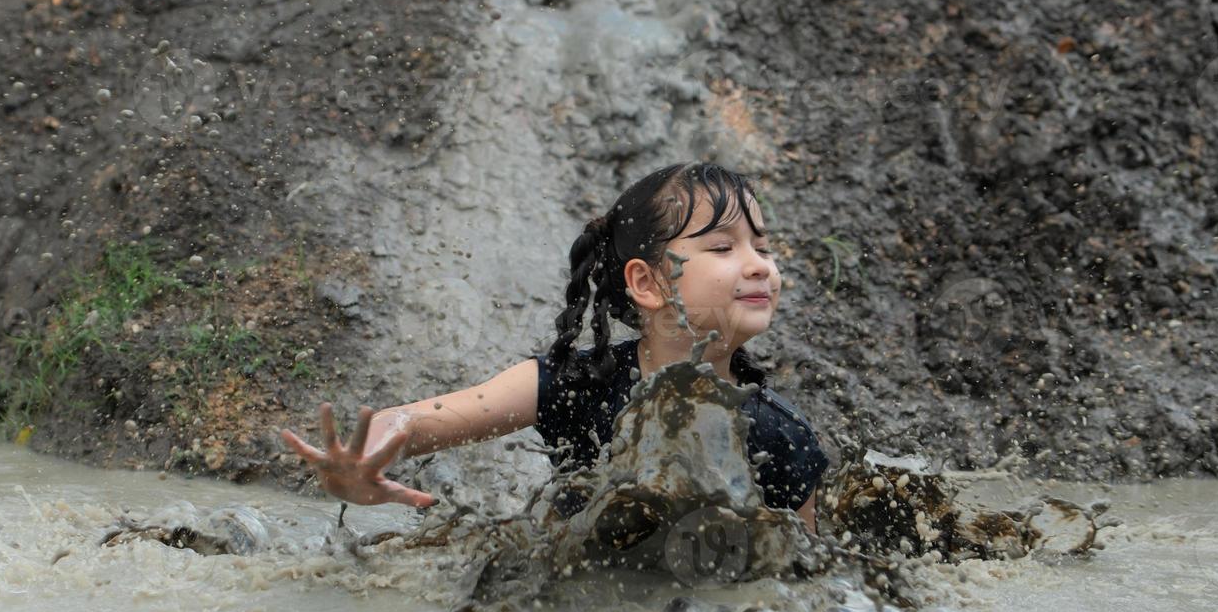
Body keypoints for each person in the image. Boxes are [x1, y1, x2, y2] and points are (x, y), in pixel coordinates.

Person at [276, 162, 828, 533]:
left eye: (762, 245)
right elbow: (424, 419)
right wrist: (364, 456)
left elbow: (811, 577)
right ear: (648, 283)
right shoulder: (573, 384)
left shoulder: (782, 437)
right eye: (724, 247)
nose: (760, 264)